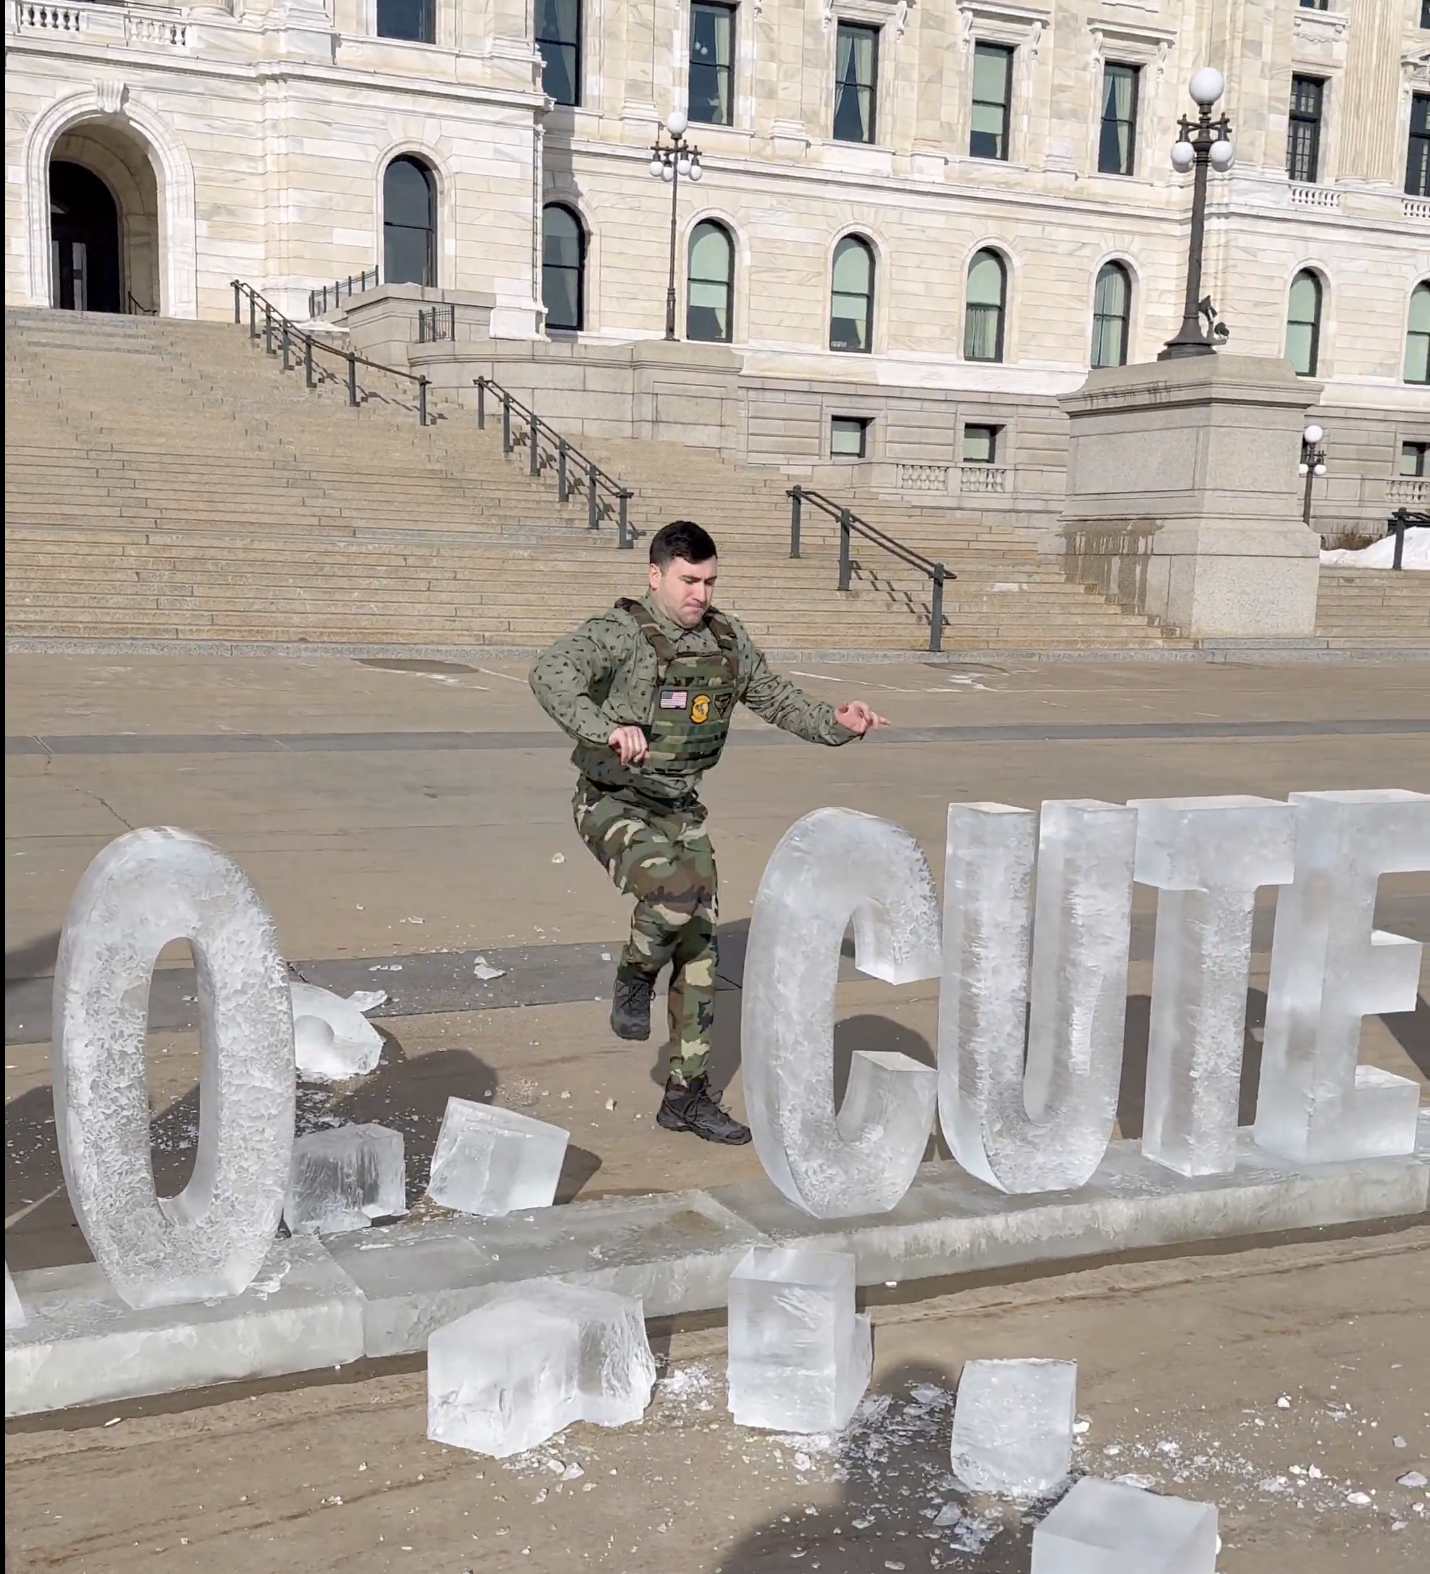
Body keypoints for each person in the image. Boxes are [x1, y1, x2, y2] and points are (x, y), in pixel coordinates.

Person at [529, 520, 888, 1144]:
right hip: (613, 802)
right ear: (655, 576)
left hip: (680, 809)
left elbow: (774, 696)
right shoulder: (618, 633)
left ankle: (685, 1098)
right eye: (688, 580)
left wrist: (836, 721)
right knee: (671, 897)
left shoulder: (725, 636)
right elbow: (549, 674)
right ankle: (635, 977)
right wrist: (605, 728)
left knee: (699, 955)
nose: (700, 593)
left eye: (709, 581)